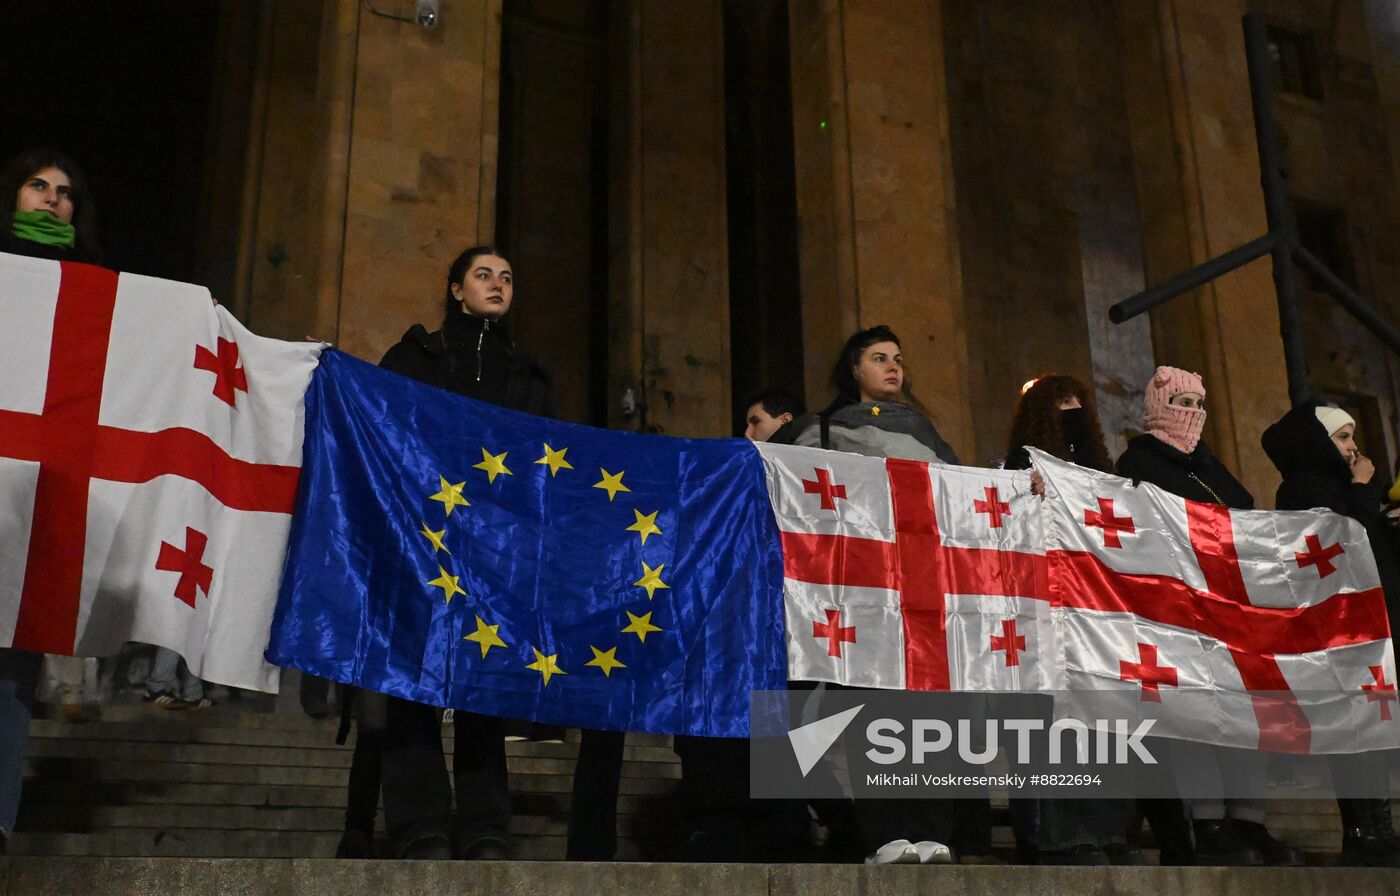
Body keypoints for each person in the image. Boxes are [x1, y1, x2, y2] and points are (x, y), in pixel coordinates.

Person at [374, 245, 551, 860]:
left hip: (493, 547)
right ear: (455, 289)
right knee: (413, 680)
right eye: (484, 275)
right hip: (421, 538)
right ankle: (419, 825)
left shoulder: (528, 374)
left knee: (485, 680)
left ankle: (484, 827)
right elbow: (377, 418)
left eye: (507, 277)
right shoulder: (416, 355)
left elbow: (543, 462)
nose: (498, 285)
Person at [1117, 366, 1301, 866]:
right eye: (1181, 402)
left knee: (1245, 716)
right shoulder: (1139, 462)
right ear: (1158, 405)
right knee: (1197, 717)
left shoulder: (1211, 467)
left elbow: (1243, 517)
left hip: (1229, 613)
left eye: (1199, 405)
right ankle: (1209, 821)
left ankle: (1248, 821)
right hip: (1176, 614)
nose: (1192, 414)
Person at [793, 325, 959, 865]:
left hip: (919, 591)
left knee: (924, 712)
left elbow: (963, 492)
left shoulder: (927, 433)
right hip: (859, 589)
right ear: (854, 369)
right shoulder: (824, 428)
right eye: (880, 358)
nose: (894, 367)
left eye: (899, 358)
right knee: (873, 711)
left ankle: (928, 829)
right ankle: (884, 835)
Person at [0, 148, 103, 851]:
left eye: (64, 192)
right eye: (38, 185)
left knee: (12, 679)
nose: (50, 199)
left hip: (35, 508)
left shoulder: (96, 291)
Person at [1262, 400, 1400, 867]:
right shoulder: (1301, 490)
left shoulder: (1341, 488)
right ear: (1318, 442)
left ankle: (1379, 827)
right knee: (1355, 730)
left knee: (1375, 728)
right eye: (1342, 437)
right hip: (1340, 631)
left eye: (1352, 435)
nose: (1353, 446)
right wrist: (1363, 492)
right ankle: (1363, 831)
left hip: (1370, 626)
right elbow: (1342, 544)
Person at [1004, 375, 1135, 865]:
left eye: (1079, 402)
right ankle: (1054, 834)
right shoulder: (1019, 467)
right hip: (1042, 610)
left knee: (1101, 722)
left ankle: (1106, 829)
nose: (1073, 409)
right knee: (1049, 725)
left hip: (1097, 613)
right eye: (1061, 403)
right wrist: (1028, 489)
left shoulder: (1103, 471)